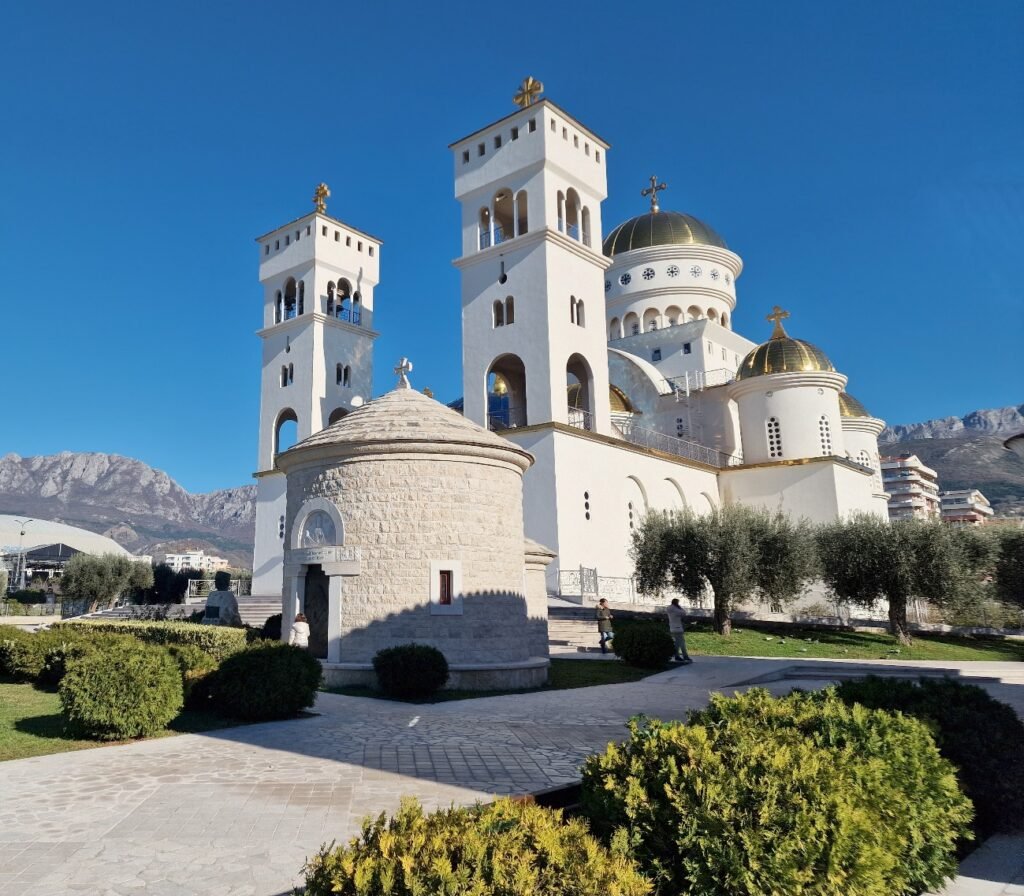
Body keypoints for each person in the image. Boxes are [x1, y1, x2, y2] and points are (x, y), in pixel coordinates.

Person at [667, 598, 693, 664]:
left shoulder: (669, 608)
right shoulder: (675, 609)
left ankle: (680, 656)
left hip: (673, 628)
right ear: (676, 602)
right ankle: (682, 656)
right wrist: (679, 607)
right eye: (678, 602)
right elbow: (684, 613)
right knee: (680, 643)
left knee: (679, 643)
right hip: (677, 628)